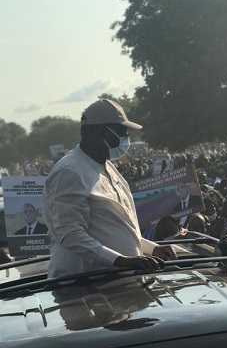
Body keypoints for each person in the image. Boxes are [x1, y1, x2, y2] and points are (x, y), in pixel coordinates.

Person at [42, 99, 176, 277]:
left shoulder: (106, 166)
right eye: (121, 131)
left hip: (120, 282)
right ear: (100, 131)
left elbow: (115, 230)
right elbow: (70, 234)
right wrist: (120, 260)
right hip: (84, 289)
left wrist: (153, 249)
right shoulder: (69, 172)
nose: (126, 138)